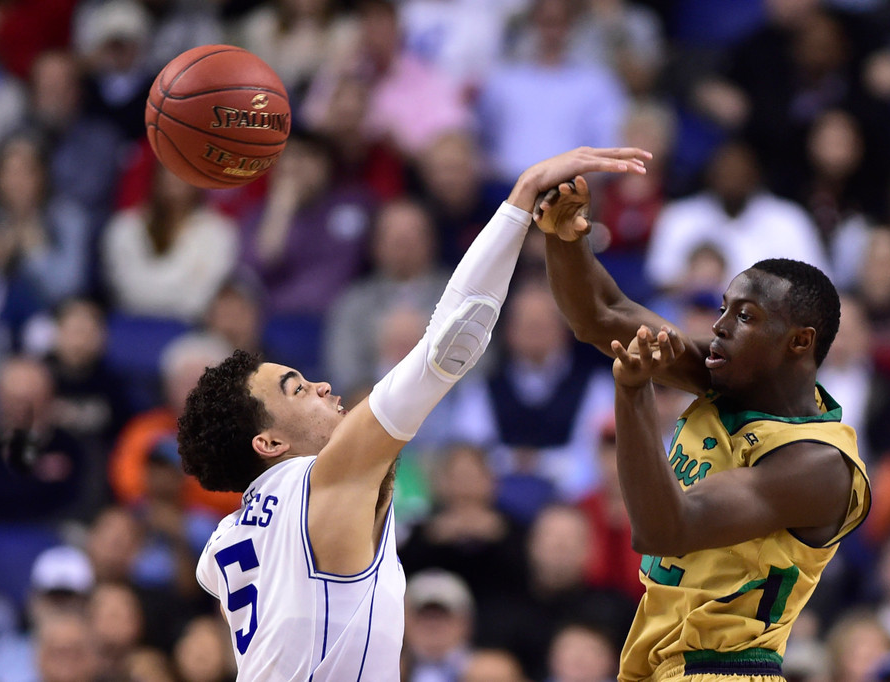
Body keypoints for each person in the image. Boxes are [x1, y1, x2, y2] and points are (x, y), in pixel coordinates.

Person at [176, 147, 650, 680]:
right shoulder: (321, 480)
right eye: (297, 389)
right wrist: (521, 197)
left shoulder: (222, 544)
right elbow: (449, 343)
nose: (323, 385)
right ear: (269, 443)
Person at [535, 176, 871, 680]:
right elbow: (601, 317)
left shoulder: (818, 464)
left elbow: (664, 529)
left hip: (725, 668)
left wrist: (632, 396)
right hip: (659, 661)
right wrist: (565, 237)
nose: (719, 326)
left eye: (745, 316)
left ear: (799, 342)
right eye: (723, 309)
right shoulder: (722, 377)